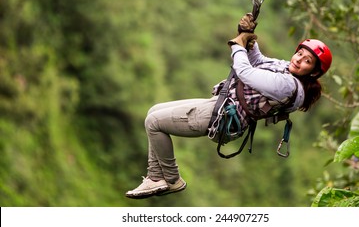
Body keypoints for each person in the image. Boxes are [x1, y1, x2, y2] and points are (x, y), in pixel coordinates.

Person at [125, 13, 332, 199]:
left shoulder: (288, 85)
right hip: (221, 104)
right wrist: (248, 36)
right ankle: (156, 177)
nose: (299, 60)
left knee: (153, 122)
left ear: (313, 72)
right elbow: (258, 60)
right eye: (300, 54)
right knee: (154, 111)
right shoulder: (286, 68)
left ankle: (169, 179)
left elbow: (246, 73)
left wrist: (237, 44)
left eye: (307, 61)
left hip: (222, 116)